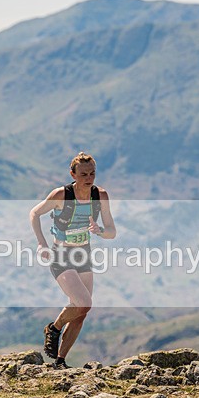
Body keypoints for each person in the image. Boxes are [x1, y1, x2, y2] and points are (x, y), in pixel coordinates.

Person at [29, 152, 116, 369]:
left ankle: (60, 360)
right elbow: (34, 213)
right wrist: (41, 243)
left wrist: (100, 231)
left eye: (93, 173)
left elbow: (112, 232)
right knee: (84, 303)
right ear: (73, 174)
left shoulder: (101, 196)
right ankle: (54, 328)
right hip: (61, 255)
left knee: (81, 312)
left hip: (83, 255)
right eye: (84, 174)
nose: (89, 178)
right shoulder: (62, 195)